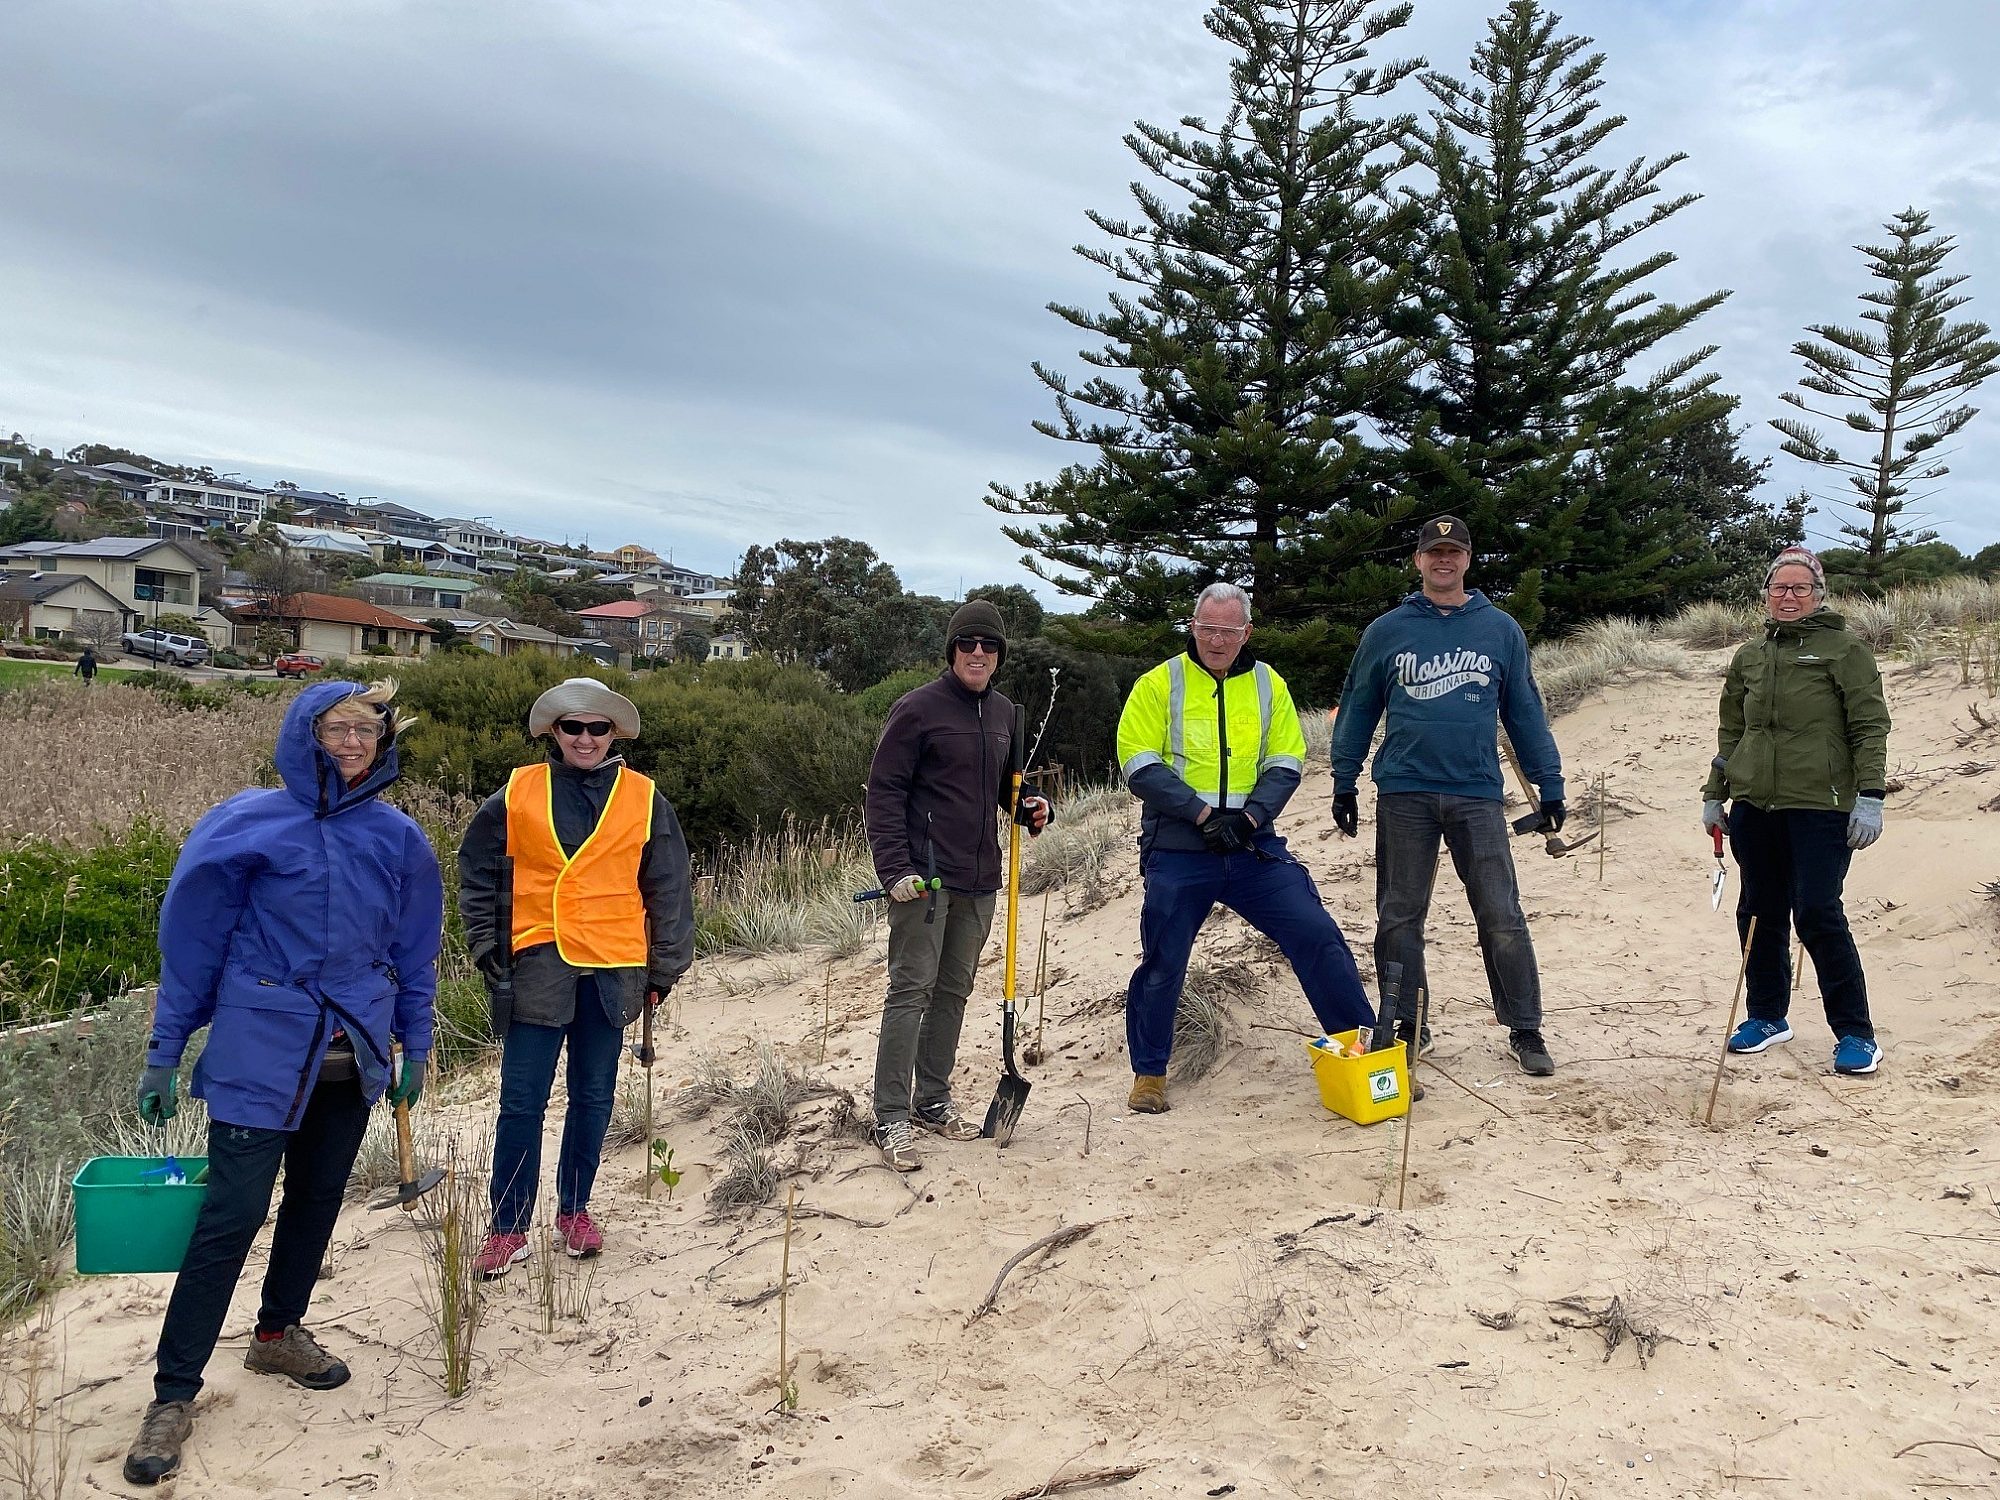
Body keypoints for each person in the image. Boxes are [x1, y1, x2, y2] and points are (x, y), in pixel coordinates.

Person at [123, 680, 443, 1487]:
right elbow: (195, 937)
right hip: (258, 1046)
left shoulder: (397, 835)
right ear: (306, 733)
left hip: (355, 1051)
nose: (354, 743)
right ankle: (173, 1393)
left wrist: (416, 1044)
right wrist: (167, 1049)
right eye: (338, 728)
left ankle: (277, 1336)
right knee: (228, 1220)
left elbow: (414, 951)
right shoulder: (247, 821)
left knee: (315, 1203)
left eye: (369, 730)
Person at [458, 677, 694, 1275]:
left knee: (593, 1097)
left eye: (597, 728)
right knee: (521, 1103)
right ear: (553, 732)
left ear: (613, 734)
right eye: (572, 727)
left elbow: (668, 888)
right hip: (537, 967)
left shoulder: (645, 799)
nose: (585, 739)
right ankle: (507, 1227)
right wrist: (487, 946)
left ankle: (575, 1211)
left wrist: (663, 968)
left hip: (614, 971)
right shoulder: (515, 793)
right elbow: (477, 874)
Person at [1116, 582, 1373, 1113]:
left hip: (1252, 847)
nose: (1216, 639)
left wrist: (1251, 818)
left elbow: (1287, 759)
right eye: (1207, 627)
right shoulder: (1158, 684)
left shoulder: (1267, 684)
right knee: (1163, 959)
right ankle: (1149, 1074)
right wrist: (1204, 815)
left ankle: (1365, 1053)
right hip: (1180, 848)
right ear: (1193, 626)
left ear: (1246, 632)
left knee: (1316, 933)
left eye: (1228, 630)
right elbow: (1137, 761)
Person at [1330, 515, 1563, 1080]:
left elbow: (1525, 710)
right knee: (1399, 914)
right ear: (1418, 560)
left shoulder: (1500, 630)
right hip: (1403, 791)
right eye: (1434, 551)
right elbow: (1359, 704)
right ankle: (1408, 1022)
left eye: (1453, 551)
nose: (1444, 560)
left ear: (1467, 558)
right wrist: (1344, 777)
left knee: (1501, 913)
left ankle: (1524, 1027)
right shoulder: (1386, 631)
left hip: (1477, 793)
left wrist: (1549, 783)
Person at [865, 599, 1050, 1171]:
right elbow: (884, 792)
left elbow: (999, 791)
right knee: (910, 991)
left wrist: (1027, 810)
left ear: (999, 656)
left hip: (979, 878)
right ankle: (890, 1116)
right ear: (951, 650)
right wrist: (894, 869)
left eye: (988, 645)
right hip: (923, 880)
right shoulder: (917, 710)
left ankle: (933, 1100)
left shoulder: (1003, 714)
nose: (978, 653)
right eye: (967, 644)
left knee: (953, 992)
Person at [1704, 545, 1891, 1074]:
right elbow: (1732, 731)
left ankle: (1855, 1032)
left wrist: (1870, 797)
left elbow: (1869, 726)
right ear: (1766, 594)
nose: (1788, 597)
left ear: (1818, 595)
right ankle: (1767, 1015)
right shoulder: (1750, 656)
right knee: (1759, 909)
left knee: (1817, 910)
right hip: (1755, 804)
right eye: (1779, 588)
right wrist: (1715, 792)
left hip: (1822, 804)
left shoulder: (1844, 651)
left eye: (1799, 588)